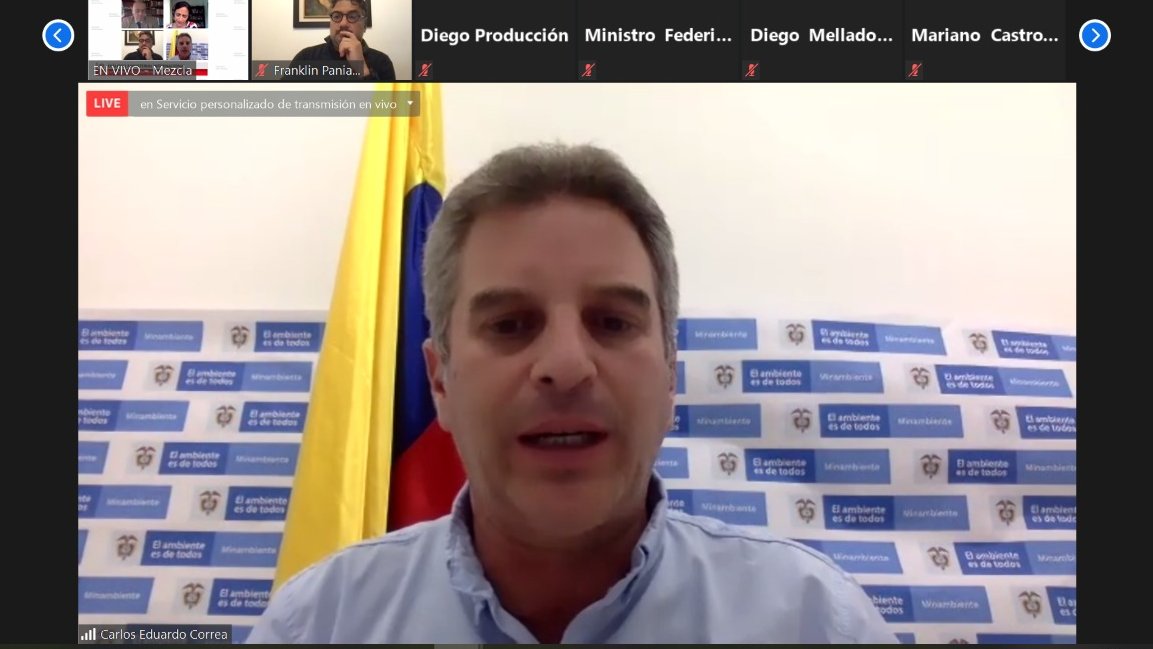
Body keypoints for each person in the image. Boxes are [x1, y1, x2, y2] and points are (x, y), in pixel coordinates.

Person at [246, 143, 899, 644]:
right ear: (440, 379)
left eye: (612, 322)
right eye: (510, 324)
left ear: (670, 374)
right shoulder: (317, 625)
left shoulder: (818, 623)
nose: (564, 365)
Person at [287, 0, 395, 81]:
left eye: (352, 17)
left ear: (364, 25)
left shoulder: (382, 62)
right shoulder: (306, 57)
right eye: (337, 16)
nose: (343, 24)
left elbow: (385, 104)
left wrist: (362, 69)